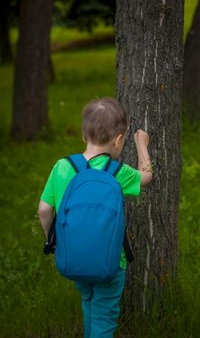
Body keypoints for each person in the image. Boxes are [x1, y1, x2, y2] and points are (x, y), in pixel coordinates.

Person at [38, 97, 152, 338]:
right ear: (119, 140)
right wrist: (142, 144)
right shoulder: (117, 172)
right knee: (103, 317)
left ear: (83, 136)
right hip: (110, 262)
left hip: (74, 257)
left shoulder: (62, 167)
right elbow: (146, 177)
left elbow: (44, 210)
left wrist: (52, 241)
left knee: (88, 301)